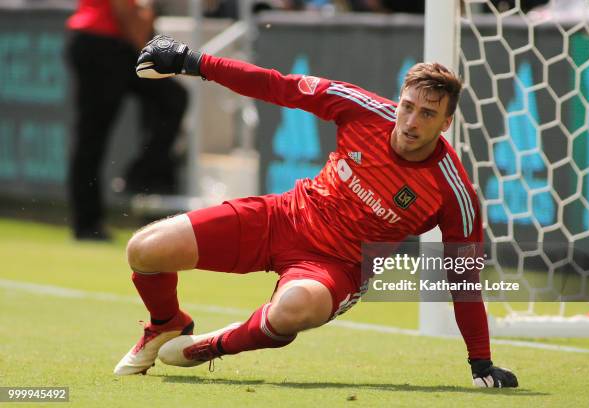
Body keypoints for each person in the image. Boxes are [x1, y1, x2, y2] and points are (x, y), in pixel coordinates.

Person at [113, 34, 518, 388]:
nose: (411, 122)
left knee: (292, 310)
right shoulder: (360, 108)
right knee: (145, 249)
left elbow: (464, 279)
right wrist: (193, 61)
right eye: (407, 106)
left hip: (335, 268)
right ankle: (165, 323)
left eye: (427, 114)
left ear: (446, 123)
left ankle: (211, 346)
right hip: (282, 218)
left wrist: (480, 361)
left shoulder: (454, 192)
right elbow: (278, 87)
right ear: (399, 99)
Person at [65, 0, 188, 241]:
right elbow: (123, 9)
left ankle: (141, 173)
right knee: (92, 137)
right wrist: (146, 48)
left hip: (108, 43)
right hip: (103, 43)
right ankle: (87, 222)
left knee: (173, 98)